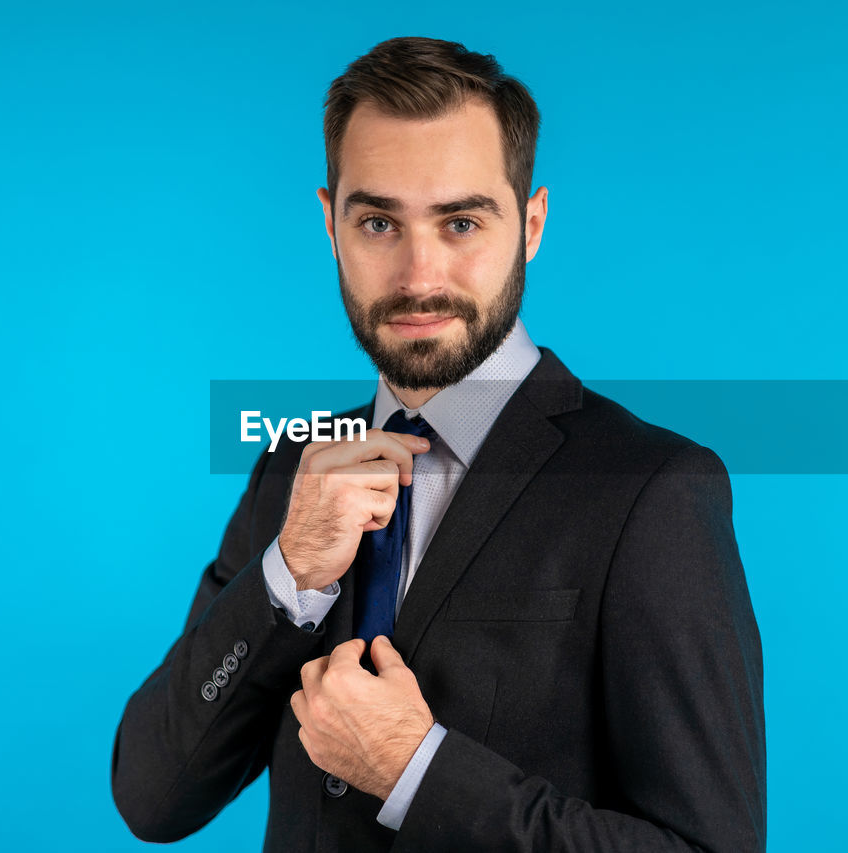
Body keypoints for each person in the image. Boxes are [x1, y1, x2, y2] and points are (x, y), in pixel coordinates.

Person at [110, 36, 765, 852]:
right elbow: (152, 795)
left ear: (530, 225)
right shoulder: (291, 464)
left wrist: (417, 769)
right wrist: (287, 577)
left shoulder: (652, 487)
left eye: (461, 221)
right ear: (331, 225)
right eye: (379, 221)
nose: (420, 276)